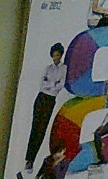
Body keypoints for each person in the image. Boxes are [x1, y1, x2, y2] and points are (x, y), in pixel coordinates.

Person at [23, 43, 66, 173]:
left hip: (50, 100)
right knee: (35, 127)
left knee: (41, 129)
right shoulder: (48, 68)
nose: (55, 57)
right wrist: (52, 84)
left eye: (57, 55)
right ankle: (29, 160)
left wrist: (50, 84)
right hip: (41, 98)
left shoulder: (64, 68)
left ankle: (33, 159)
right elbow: (42, 83)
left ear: (61, 55)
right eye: (54, 55)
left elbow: (60, 85)